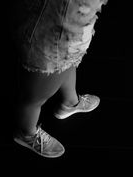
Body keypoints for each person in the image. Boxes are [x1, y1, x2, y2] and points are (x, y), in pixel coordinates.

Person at [10, 0, 108, 158]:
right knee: (36, 95)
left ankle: (70, 102)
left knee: (68, 59)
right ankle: (26, 133)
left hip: (73, 22)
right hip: (55, 28)